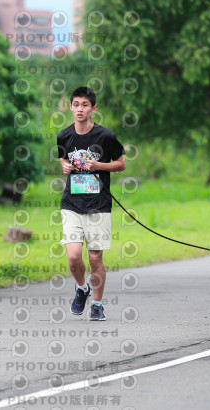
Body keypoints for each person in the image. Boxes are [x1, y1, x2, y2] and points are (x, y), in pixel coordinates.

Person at [56, 86, 126, 321]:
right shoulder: (64, 136)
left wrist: (99, 166)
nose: (80, 109)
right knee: (74, 256)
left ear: (93, 108)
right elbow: (64, 160)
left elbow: (121, 164)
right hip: (72, 203)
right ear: (71, 107)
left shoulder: (105, 136)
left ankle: (97, 303)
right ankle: (82, 288)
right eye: (76, 104)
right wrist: (64, 167)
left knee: (95, 257)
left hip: (98, 204)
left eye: (85, 105)